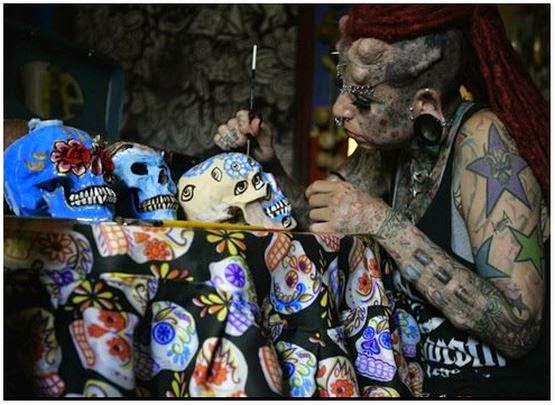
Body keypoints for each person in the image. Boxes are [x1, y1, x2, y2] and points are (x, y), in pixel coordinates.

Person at [213, 5, 549, 398]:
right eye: (343, 87)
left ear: (424, 103)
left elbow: (519, 328)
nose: (340, 110)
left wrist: (382, 224)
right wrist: (268, 169)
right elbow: (315, 219)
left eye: (363, 100)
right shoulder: (395, 142)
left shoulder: (484, 143)